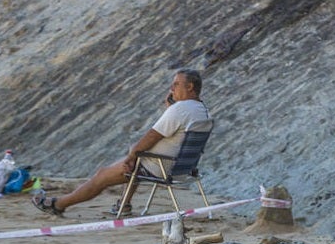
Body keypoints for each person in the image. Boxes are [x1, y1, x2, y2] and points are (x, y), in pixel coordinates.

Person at [32, 68, 209, 217]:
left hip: (158, 167)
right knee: (135, 156)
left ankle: (58, 205)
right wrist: (169, 110)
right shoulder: (201, 110)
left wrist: (132, 156)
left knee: (104, 174)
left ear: (190, 86)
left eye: (176, 84)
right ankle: (124, 205)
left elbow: (151, 137)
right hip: (181, 169)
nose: (171, 88)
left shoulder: (179, 109)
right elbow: (177, 131)